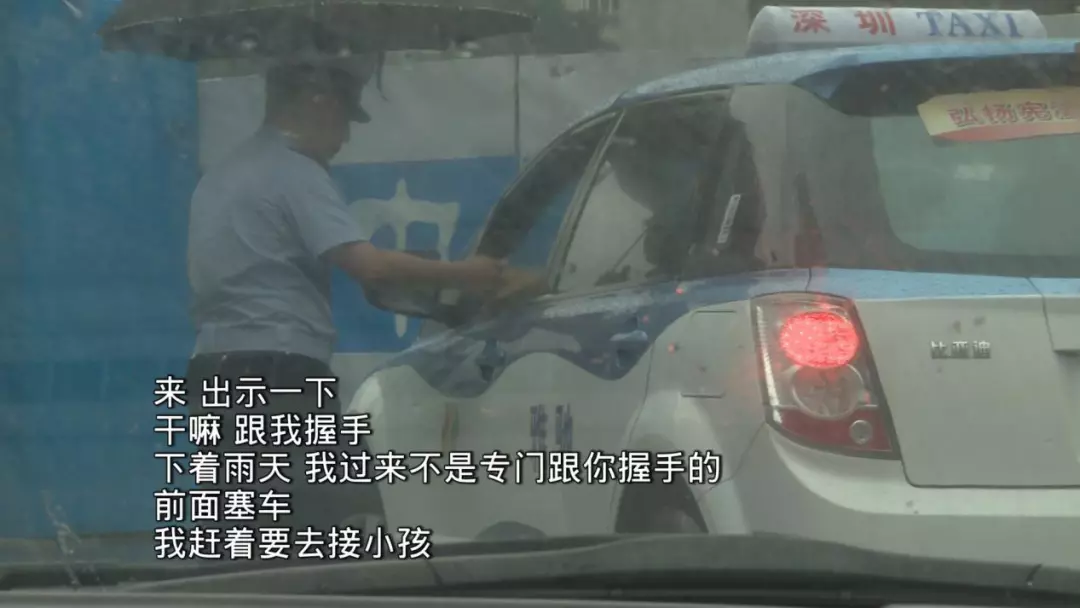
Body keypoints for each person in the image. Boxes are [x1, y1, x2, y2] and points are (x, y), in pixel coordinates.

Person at [184, 58, 504, 550]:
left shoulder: (219, 176)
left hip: (212, 373)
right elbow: (369, 267)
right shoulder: (295, 171)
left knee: (241, 531)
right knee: (339, 526)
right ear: (318, 103)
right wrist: (472, 274)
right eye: (343, 119)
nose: (344, 138)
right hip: (278, 375)